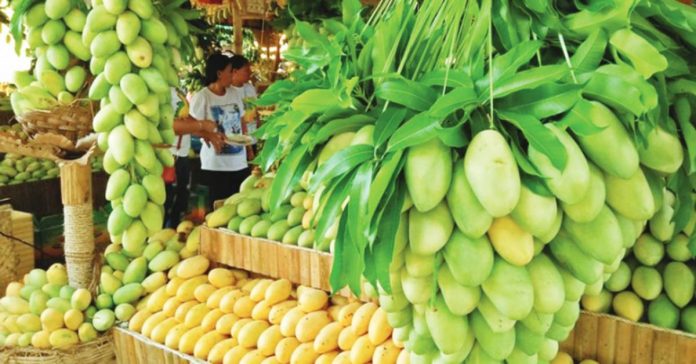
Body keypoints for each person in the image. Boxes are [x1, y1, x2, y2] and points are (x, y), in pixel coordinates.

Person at [189, 53, 253, 209]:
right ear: (219, 73)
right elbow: (191, 127)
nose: (233, 75)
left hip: (238, 163)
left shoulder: (234, 94)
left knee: (238, 208)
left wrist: (249, 148)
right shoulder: (202, 97)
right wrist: (209, 136)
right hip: (215, 165)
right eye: (230, 71)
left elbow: (242, 121)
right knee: (215, 210)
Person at [163, 87, 225, 227]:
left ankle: (172, 234)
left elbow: (186, 120)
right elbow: (169, 125)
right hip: (168, 156)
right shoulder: (162, 91)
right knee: (166, 205)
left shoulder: (175, 88)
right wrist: (202, 125)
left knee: (180, 202)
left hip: (181, 156)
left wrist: (206, 133)